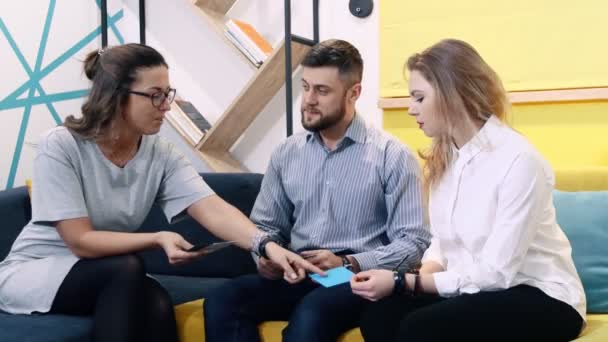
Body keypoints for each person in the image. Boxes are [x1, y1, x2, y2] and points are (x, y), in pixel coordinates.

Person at [0, 43, 322, 342]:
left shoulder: (160, 153)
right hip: (39, 268)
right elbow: (79, 241)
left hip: (109, 272)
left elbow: (211, 207)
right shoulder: (61, 145)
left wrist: (265, 245)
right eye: (155, 95)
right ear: (116, 95)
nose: (166, 106)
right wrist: (157, 238)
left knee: (157, 305)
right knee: (128, 269)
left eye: (167, 93)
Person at [351, 39, 586, 341]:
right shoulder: (445, 159)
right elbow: (442, 243)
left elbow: (496, 274)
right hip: (476, 290)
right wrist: (417, 280)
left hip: (541, 294)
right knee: (380, 316)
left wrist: (404, 282)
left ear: (453, 95)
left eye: (419, 98)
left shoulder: (519, 160)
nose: (411, 109)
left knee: (419, 327)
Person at [203, 39, 430, 342]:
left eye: (322, 91)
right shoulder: (287, 152)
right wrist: (268, 259)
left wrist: (348, 263)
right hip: (298, 272)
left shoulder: (392, 156)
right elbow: (266, 225)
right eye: (306, 86)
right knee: (223, 300)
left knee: (312, 314)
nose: (308, 99)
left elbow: (413, 243)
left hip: (355, 276)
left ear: (354, 93)